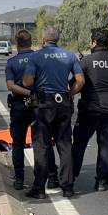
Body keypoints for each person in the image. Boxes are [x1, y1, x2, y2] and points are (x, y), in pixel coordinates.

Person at [22, 27, 84, 200]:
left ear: (43, 39)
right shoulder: (70, 55)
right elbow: (80, 81)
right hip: (63, 102)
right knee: (64, 145)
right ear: (58, 39)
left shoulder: (36, 56)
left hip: (43, 104)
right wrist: (69, 94)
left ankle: (39, 188)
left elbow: (27, 81)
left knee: (41, 145)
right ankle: (68, 187)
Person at [71, 29, 108, 191]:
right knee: (105, 144)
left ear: (94, 42)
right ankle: (101, 181)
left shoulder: (86, 61)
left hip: (89, 109)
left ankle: (72, 176)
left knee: (79, 144)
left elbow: (75, 82)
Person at [4, 29, 58, 191]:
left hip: (19, 106)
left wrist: (27, 92)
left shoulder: (12, 62)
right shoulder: (40, 58)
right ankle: (51, 176)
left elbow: (10, 85)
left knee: (18, 143)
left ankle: (19, 179)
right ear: (31, 42)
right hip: (39, 105)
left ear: (16, 43)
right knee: (43, 142)